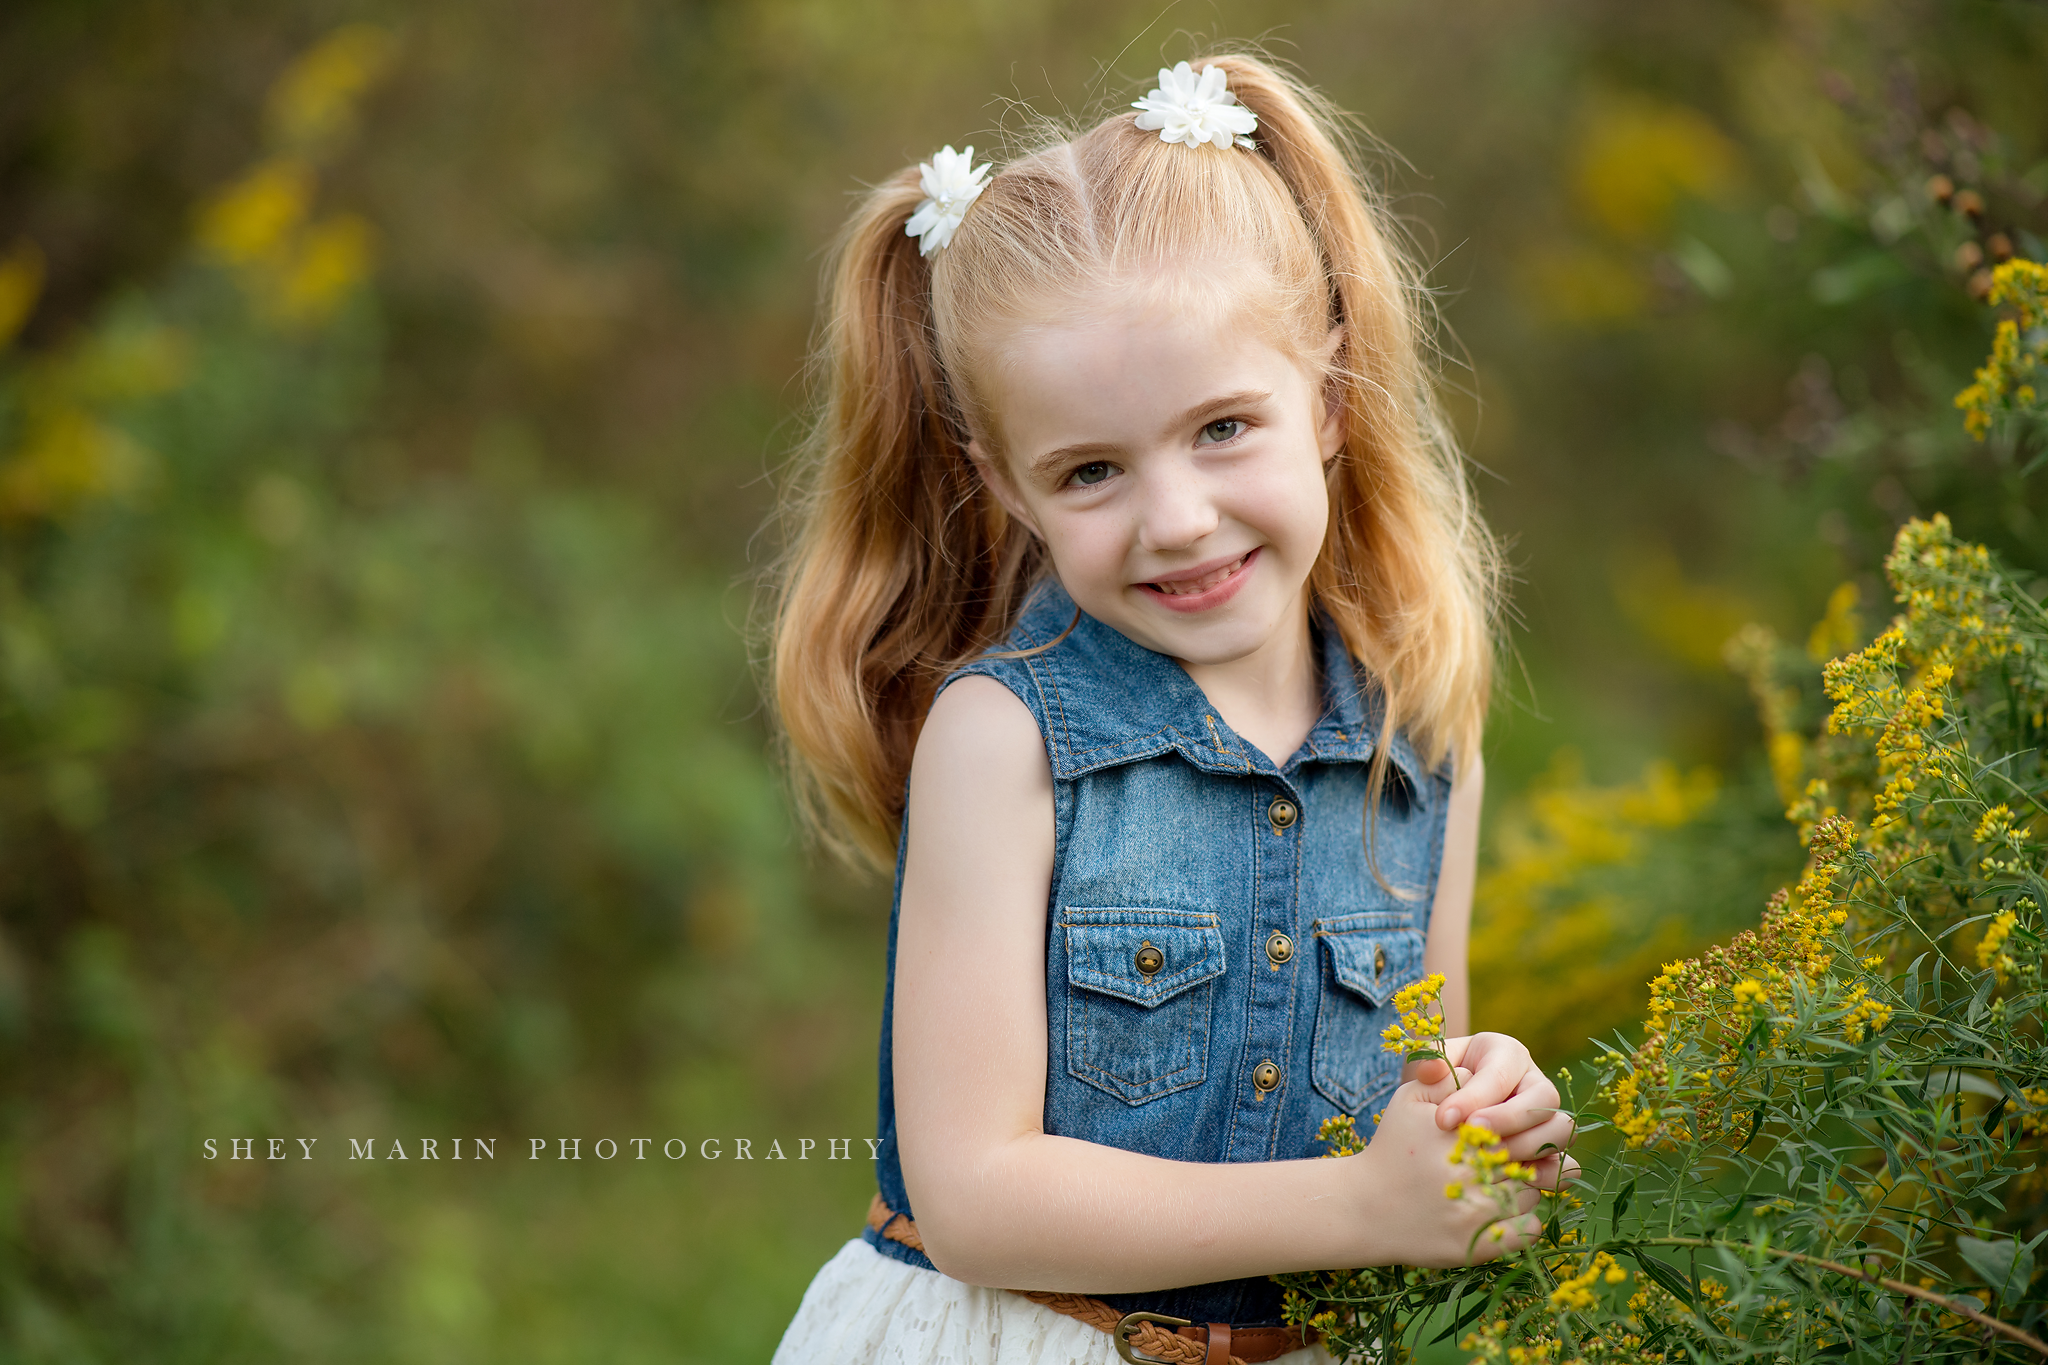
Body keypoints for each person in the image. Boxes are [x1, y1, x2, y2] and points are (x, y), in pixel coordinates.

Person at [767, 51, 1574, 1365]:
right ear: (1010, 491)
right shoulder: (1008, 738)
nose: (1178, 518)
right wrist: (1358, 1204)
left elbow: (1419, 1085)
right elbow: (975, 1202)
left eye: (1221, 429)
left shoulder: (1419, 740)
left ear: (1325, 397)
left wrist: (1482, 1111)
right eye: (1092, 471)